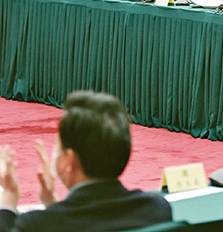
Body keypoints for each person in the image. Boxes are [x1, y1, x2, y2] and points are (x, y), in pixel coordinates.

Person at [0, 90, 172, 231]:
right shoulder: (156, 209)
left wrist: (8, 200)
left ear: (69, 161)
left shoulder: (36, 225)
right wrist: (52, 204)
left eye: (58, 145)